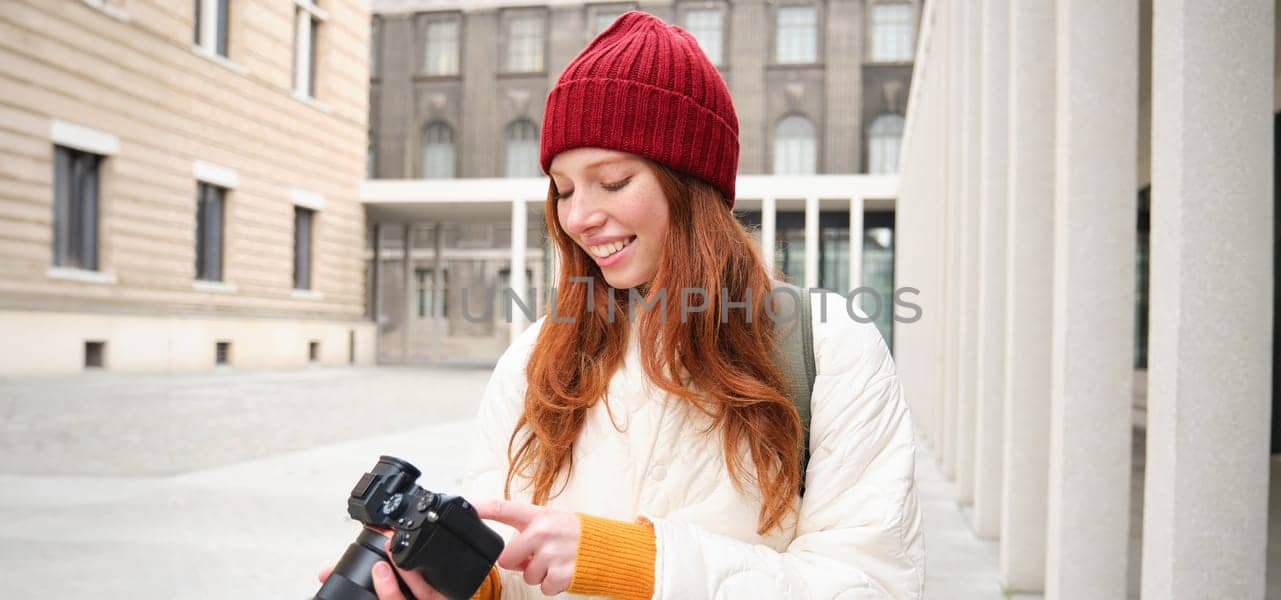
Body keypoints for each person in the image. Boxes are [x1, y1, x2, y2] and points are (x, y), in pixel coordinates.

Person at [322, 11, 923, 599]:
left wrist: (637, 563)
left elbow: (869, 584)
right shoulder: (534, 358)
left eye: (612, 182)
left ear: (692, 186)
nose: (579, 217)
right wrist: (467, 587)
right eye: (563, 188)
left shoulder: (828, 347)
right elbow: (515, 559)